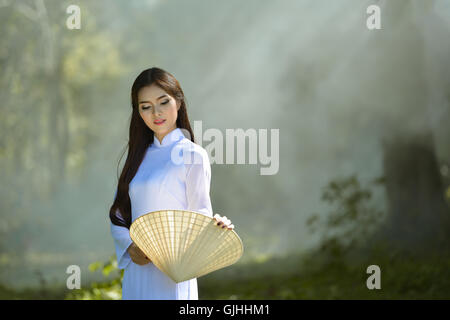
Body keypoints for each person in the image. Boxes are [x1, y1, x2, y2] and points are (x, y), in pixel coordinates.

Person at [109, 67, 233, 300]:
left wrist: (215, 227)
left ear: (178, 101)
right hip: (138, 270)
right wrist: (129, 247)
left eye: (163, 102)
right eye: (145, 106)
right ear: (138, 112)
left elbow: (200, 214)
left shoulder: (193, 155)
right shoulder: (137, 157)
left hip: (174, 272)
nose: (156, 112)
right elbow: (118, 211)